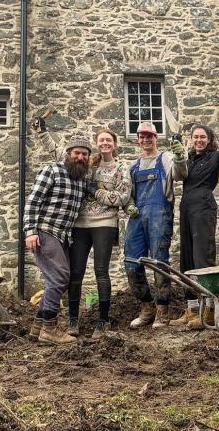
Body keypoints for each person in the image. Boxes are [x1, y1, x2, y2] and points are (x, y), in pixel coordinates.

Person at [171, 105, 219, 330]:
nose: (199, 140)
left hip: (203, 208)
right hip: (186, 208)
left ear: (209, 139)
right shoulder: (188, 159)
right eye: (195, 137)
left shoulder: (215, 158)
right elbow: (177, 168)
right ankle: (192, 310)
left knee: (202, 259)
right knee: (187, 260)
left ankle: (210, 311)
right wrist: (176, 146)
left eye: (203, 137)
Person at [24, 133, 92, 345]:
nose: (80, 157)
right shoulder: (51, 170)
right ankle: (50, 329)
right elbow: (33, 201)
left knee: (59, 279)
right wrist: (30, 231)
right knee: (61, 276)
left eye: (84, 154)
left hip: (62, 236)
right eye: (76, 153)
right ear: (68, 154)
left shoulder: (81, 179)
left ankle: (38, 325)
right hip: (44, 232)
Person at [67, 129, 132, 340]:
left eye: (108, 140)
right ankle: (72, 319)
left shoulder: (122, 167)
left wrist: (95, 192)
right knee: (75, 272)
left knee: (101, 271)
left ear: (114, 144)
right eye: (101, 140)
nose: (105, 143)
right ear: (97, 143)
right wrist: (42, 134)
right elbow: (61, 154)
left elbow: (122, 197)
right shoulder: (88, 164)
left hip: (105, 223)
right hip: (80, 224)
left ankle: (103, 320)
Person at [124, 121, 187, 329]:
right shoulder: (132, 166)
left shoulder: (166, 158)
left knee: (160, 263)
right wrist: (130, 206)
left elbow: (180, 174)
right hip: (137, 219)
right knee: (132, 263)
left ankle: (163, 310)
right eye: (142, 136)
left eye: (149, 136)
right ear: (138, 139)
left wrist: (180, 157)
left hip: (160, 215)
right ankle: (146, 307)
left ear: (155, 137)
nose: (145, 139)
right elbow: (127, 196)